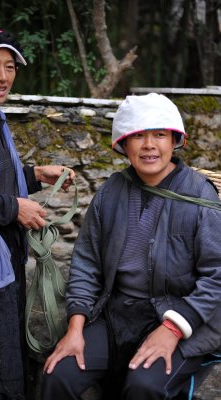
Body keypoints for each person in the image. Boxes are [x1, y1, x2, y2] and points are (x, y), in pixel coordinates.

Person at [42, 93, 221, 399]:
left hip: (181, 316)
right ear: (123, 144)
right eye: (137, 136)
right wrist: (75, 329)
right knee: (58, 373)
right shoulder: (112, 191)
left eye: (160, 135)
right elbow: (87, 265)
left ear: (175, 141)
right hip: (117, 315)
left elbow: (216, 277)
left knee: (143, 387)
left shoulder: (200, 196)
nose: (149, 144)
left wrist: (172, 330)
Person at [0, 27, 75, 400]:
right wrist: (14, 209)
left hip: (0, 259)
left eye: (10, 67)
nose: (3, 76)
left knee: (2, 355)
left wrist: (36, 175)